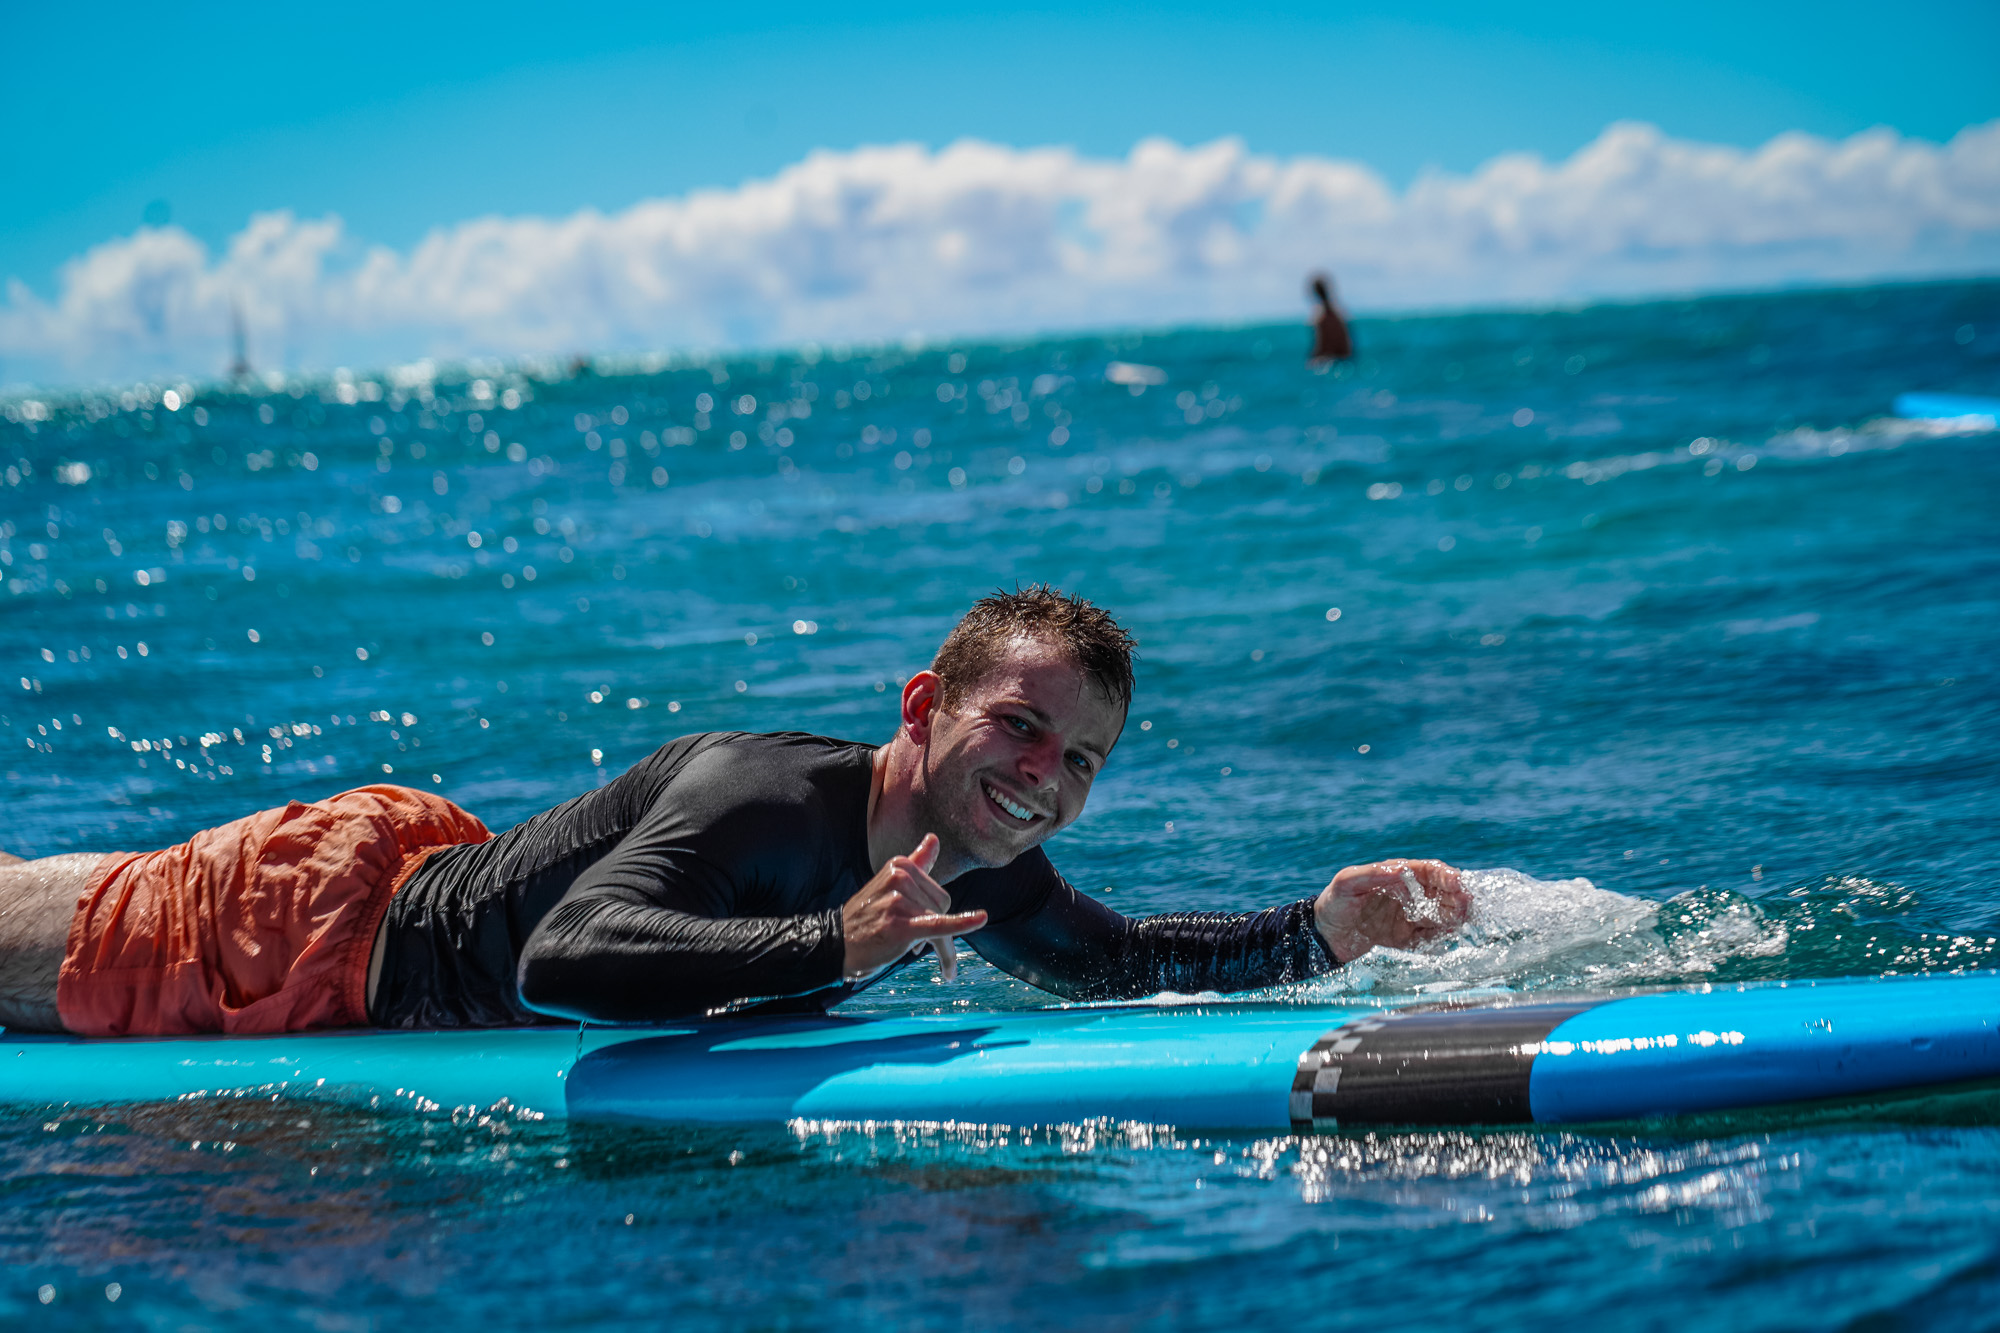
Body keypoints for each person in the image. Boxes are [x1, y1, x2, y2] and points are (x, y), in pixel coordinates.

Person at [0, 588, 1466, 1036]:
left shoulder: (976, 860)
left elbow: (1114, 958)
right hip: (314, 931)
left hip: (420, 874)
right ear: (922, 707)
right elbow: (560, 959)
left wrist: (1317, 929)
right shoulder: (769, 798)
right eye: (1019, 725)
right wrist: (835, 943)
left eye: (1080, 761)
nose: (1044, 776)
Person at [1308, 272, 1354, 364]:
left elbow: (1320, 345)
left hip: (1327, 360)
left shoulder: (1319, 316)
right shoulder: (1340, 312)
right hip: (1345, 359)